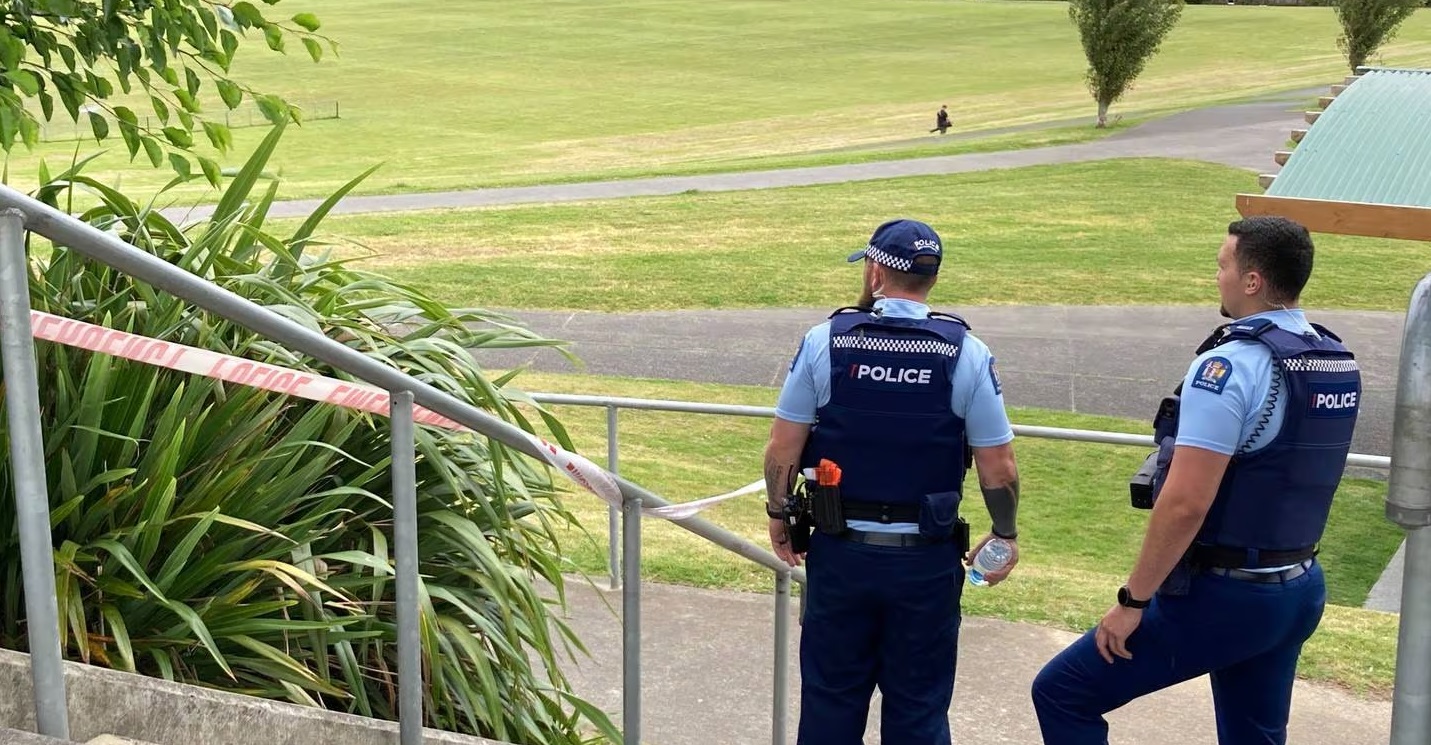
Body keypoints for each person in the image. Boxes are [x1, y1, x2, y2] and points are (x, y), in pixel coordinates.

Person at [1030, 216, 1362, 745]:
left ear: (1252, 280)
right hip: (1298, 587)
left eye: (1222, 265)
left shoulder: (1231, 365)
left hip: (1227, 598)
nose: (1217, 277)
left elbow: (1185, 502)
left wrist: (1132, 602)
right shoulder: (1334, 360)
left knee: (1063, 692)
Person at [763, 218, 1023, 745]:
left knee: (830, 707)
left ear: (876, 271)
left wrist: (778, 513)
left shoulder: (824, 342)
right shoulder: (965, 351)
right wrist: (1006, 533)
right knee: (919, 713)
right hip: (925, 565)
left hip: (842, 558)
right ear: (931, 277)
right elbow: (1000, 467)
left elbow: (782, 449)